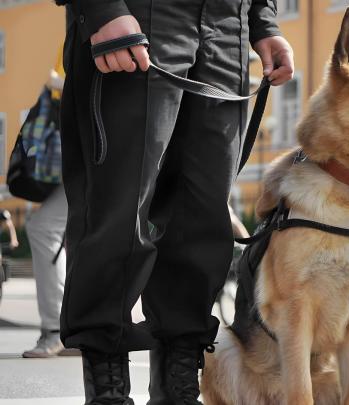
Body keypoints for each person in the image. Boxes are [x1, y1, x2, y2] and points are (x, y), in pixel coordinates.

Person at [57, 0, 294, 403]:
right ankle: (108, 389)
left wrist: (261, 19)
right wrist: (100, 8)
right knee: (119, 212)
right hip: (139, 15)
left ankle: (176, 388)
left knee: (202, 216)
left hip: (227, 25)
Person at [22, 66, 79, 359]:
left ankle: (59, 330)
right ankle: (83, 332)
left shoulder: (91, 21)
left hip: (94, 151)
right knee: (89, 236)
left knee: (43, 227)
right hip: (95, 149)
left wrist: (56, 82)